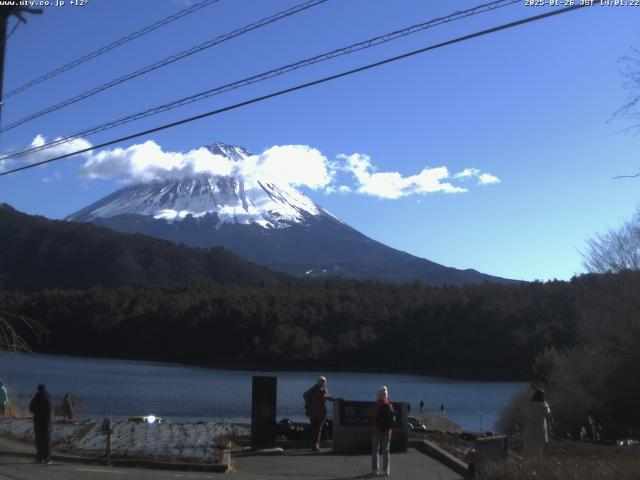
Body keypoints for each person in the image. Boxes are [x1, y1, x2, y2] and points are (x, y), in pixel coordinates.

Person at [303, 376, 336, 452]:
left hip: (321, 413)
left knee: (318, 430)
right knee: (316, 430)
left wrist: (336, 399)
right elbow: (305, 395)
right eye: (321, 381)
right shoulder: (314, 389)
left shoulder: (324, 390)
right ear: (318, 382)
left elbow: (328, 397)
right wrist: (309, 403)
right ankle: (315, 446)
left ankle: (315, 446)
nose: (322, 383)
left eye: (323, 382)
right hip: (313, 413)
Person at [370, 386, 394, 477]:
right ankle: (386, 470)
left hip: (376, 430)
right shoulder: (390, 405)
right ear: (386, 395)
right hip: (387, 432)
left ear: (378, 395)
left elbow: (372, 414)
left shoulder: (376, 405)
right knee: (386, 451)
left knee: (375, 451)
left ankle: (375, 470)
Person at [522, 388, 551, 458]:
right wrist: (545, 402)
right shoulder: (544, 406)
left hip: (529, 433)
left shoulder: (529, 406)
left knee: (527, 454)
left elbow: (524, 410)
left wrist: (530, 397)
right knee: (538, 454)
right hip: (540, 433)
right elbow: (548, 412)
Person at [28, 384, 53, 464]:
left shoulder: (36, 397)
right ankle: (47, 458)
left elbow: (31, 408)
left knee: (38, 440)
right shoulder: (47, 396)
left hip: (38, 421)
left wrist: (37, 412)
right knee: (46, 440)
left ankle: (39, 458)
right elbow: (50, 408)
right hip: (46, 422)